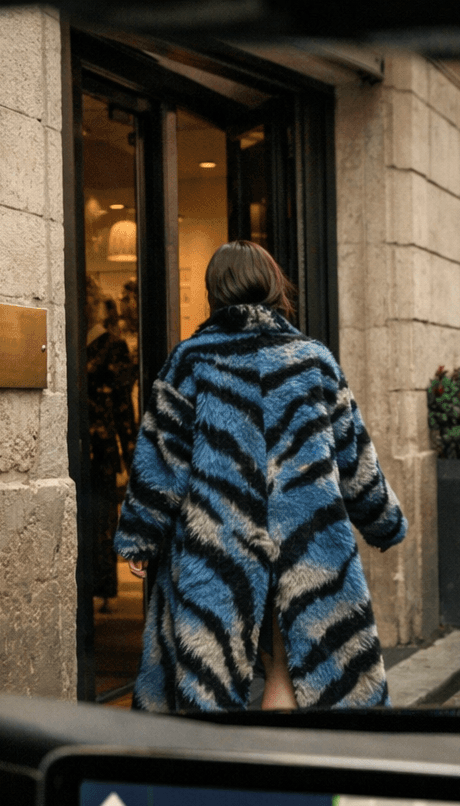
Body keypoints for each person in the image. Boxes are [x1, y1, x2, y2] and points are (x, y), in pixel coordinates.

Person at [115, 241, 407, 712]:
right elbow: (354, 457)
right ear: (275, 288)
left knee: (210, 681)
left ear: (215, 292)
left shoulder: (191, 360)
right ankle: (286, 773)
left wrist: (140, 535)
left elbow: (162, 456)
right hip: (306, 544)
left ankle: (228, 775)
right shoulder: (313, 359)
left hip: (219, 547)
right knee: (291, 669)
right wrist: (382, 521)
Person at [85, 280, 138, 610]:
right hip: (80, 443)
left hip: (102, 445)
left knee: (103, 518)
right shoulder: (74, 342)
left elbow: (122, 406)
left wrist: (130, 455)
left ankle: (104, 589)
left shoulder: (113, 346)